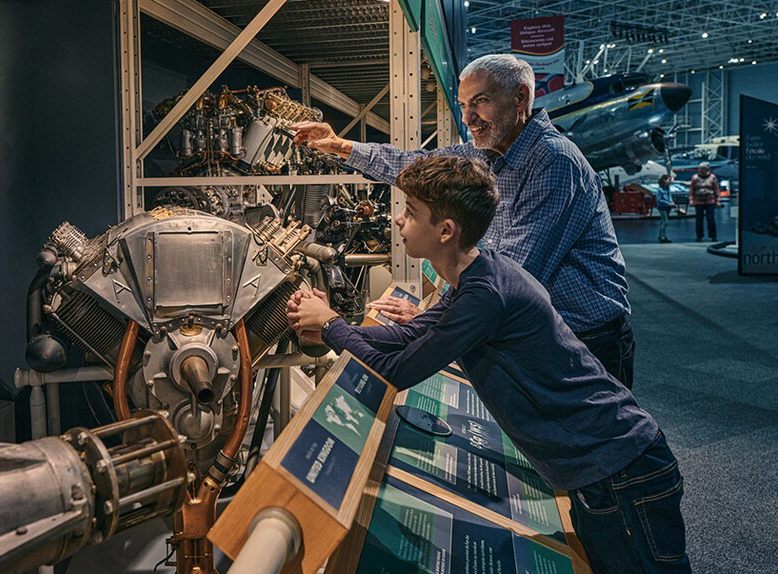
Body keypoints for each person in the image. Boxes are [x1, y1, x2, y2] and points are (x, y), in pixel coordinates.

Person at [287, 155, 690, 574]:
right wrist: (330, 325)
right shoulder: (477, 275)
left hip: (619, 472)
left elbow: (393, 371)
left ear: (446, 231)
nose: (398, 221)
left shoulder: (483, 296)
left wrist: (332, 324)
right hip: (607, 466)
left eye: (411, 212)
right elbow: (408, 336)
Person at [292, 54, 636, 390]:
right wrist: (339, 146)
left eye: (480, 101)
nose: (469, 116)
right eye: (463, 104)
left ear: (521, 98)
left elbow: (510, 277)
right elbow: (414, 164)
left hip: (587, 340)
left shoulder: (554, 161)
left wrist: (444, 322)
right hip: (532, 331)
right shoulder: (485, 153)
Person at [688, 162, 721, 242]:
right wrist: (691, 200)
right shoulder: (695, 177)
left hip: (710, 200)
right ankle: (699, 236)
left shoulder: (712, 177)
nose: (700, 170)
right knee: (699, 219)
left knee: (710, 218)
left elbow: (716, 189)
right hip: (698, 201)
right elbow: (691, 189)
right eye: (700, 169)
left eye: (702, 169)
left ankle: (713, 236)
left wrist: (718, 200)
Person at [656, 174, 677, 243]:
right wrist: (668, 203)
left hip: (667, 206)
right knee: (665, 221)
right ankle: (662, 237)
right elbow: (659, 200)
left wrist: (672, 202)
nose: (670, 181)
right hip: (662, 206)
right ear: (664, 180)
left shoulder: (667, 188)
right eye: (669, 180)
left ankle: (661, 235)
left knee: (663, 221)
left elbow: (669, 196)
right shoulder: (660, 189)